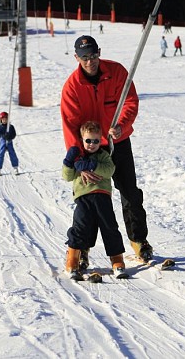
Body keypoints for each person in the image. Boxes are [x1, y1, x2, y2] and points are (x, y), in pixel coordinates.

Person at [61, 35, 153, 262]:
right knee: (90, 200)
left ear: (99, 52)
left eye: (93, 56)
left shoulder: (117, 72)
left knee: (130, 192)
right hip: (90, 150)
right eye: (84, 58)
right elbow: (70, 127)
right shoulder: (72, 88)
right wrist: (79, 161)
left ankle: (138, 240)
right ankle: (81, 249)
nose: (89, 61)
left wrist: (122, 125)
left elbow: (130, 101)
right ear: (76, 58)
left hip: (118, 142)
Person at [62, 120, 127, 280]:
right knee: (81, 227)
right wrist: (69, 163)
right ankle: (73, 260)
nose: (92, 144)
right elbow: (67, 177)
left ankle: (117, 260)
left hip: (102, 196)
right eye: (88, 140)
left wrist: (92, 165)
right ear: (82, 139)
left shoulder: (103, 156)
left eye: (96, 141)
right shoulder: (78, 157)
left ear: (101, 140)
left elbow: (109, 170)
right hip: (83, 198)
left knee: (109, 226)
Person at [0, 112, 19, 176]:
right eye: (3, 119)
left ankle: (15, 167)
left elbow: (14, 134)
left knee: (12, 153)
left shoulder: (11, 127)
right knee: (0, 153)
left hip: (9, 141)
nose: (4, 120)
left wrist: (10, 136)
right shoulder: (0, 127)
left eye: (6, 119)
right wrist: (4, 135)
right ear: (1, 120)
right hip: (2, 141)